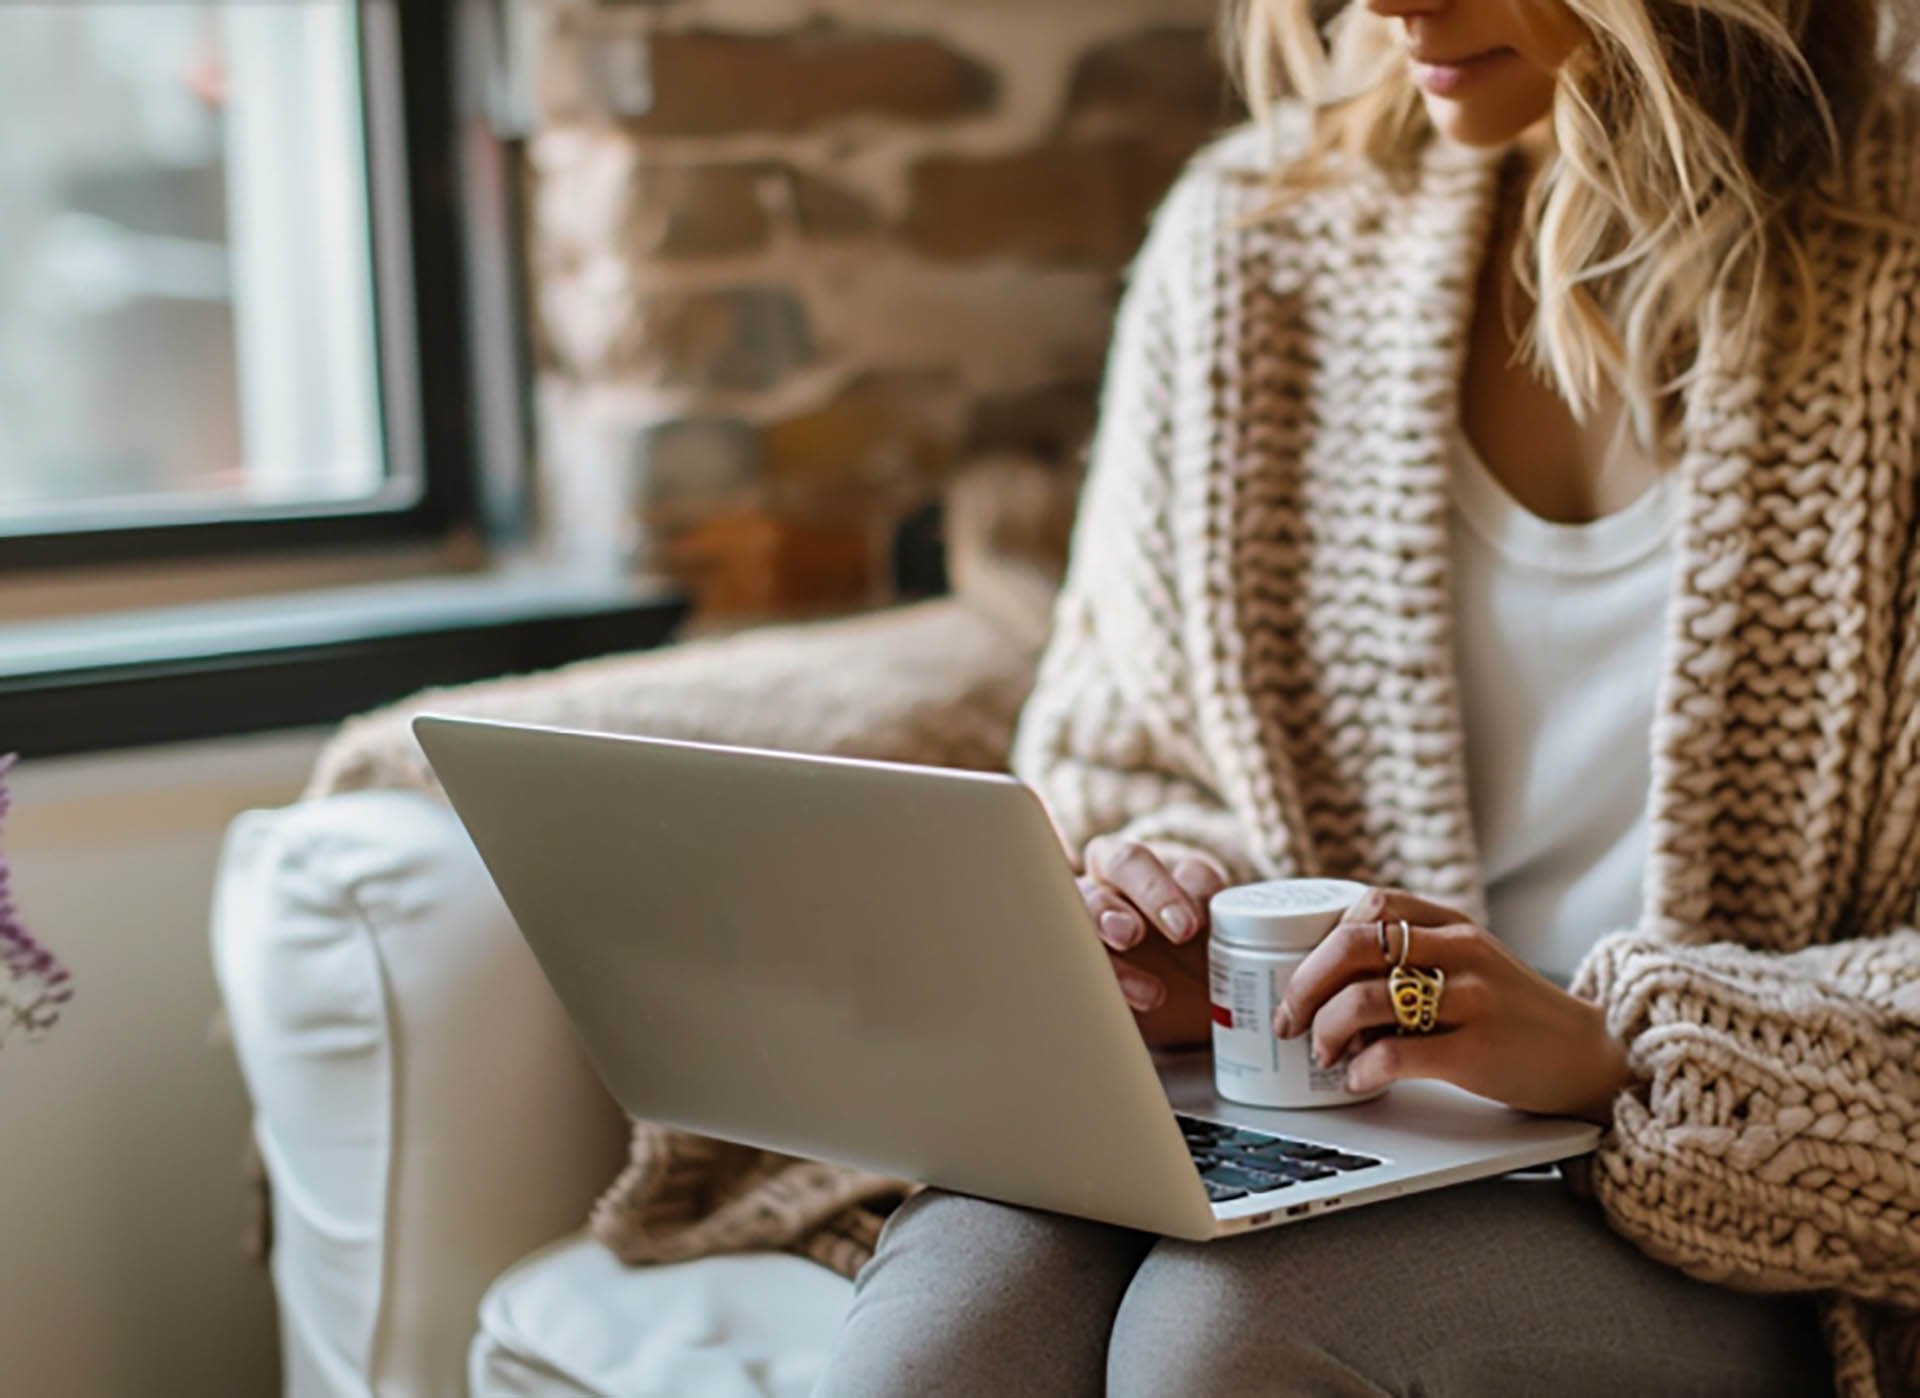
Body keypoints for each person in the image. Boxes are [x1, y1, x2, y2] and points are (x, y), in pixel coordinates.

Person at [817, 0, 1920, 1393]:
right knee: (947, 1338)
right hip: (1294, 1131)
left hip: (1752, 1226)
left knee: (1231, 1342)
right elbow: (1118, 756)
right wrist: (1165, 925)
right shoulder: (1247, 243)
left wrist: (1611, 1057)